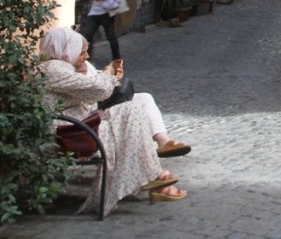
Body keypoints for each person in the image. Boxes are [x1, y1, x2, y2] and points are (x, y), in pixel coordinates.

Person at [38, 27, 190, 217]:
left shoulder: (59, 68)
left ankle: (153, 175)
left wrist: (95, 75)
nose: (86, 56)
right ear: (65, 49)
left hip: (78, 125)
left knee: (134, 109)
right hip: (71, 132)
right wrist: (108, 73)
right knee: (131, 111)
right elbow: (99, 90)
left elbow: (91, 93)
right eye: (81, 51)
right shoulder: (54, 69)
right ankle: (152, 175)